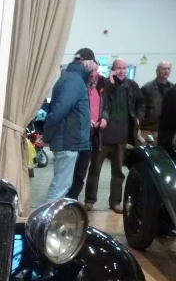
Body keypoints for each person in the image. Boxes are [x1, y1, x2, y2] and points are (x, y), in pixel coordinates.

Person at [84, 58, 143, 213]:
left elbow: (141, 104)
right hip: (103, 136)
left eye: (124, 68)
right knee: (95, 169)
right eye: (118, 68)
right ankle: (90, 200)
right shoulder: (104, 84)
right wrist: (109, 83)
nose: (122, 71)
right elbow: (100, 101)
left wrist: (137, 118)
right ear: (113, 69)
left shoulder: (132, 86)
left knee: (118, 171)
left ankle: (115, 202)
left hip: (122, 137)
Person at [42, 55, 95, 201]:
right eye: (95, 67)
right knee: (60, 186)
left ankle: (50, 220)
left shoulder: (73, 78)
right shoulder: (74, 80)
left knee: (62, 184)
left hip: (69, 139)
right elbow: (60, 110)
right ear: (87, 63)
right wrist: (47, 134)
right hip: (68, 140)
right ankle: (47, 222)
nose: (95, 72)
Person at [67, 49, 105, 201]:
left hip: (91, 137)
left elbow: (104, 107)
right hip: (75, 136)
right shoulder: (77, 84)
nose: (94, 74)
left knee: (81, 174)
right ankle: (63, 201)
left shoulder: (98, 88)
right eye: (92, 71)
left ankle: (73, 202)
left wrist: (104, 118)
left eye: (96, 71)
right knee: (68, 173)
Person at [140, 61, 172, 141]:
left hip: (166, 129)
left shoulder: (172, 89)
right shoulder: (147, 88)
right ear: (157, 71)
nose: (166, 71)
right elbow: (140, 109)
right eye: (164, 69)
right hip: (147, 129)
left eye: (168, 69)